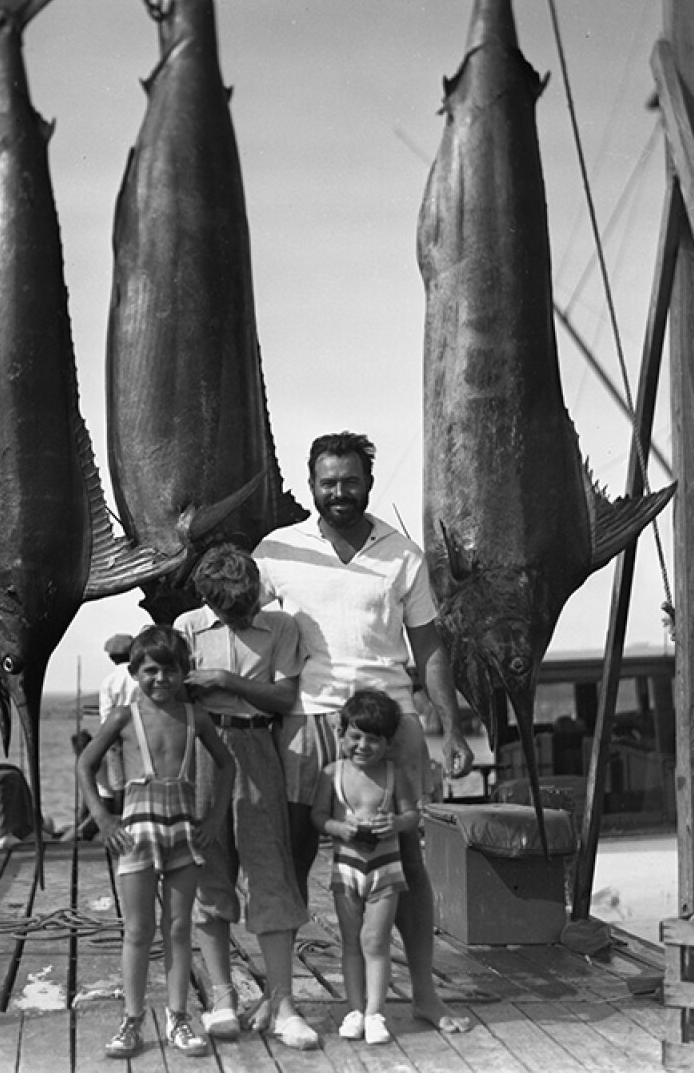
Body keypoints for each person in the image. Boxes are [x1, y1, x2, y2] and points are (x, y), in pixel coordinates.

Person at [252, 430, 476, 1035]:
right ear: (311, 485)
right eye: (328, 483)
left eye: (350, 481)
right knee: (293, 854)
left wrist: (450, 726)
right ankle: (281, 997)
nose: (339, 493)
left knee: (406, 860)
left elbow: (428, 646)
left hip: (391, 720)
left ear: (368, 483)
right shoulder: (277, 549)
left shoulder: (402, 554)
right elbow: (242, 622)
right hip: (309, 717)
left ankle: (425, 995)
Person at [173, 543, 318, 1051]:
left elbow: (284, 696)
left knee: (270, 871)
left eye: (248, 601)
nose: (243, 613)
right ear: (210, 600)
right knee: (210, 871)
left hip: (258, 746)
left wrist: (226, 682)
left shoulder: (280, 627)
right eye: (231, 607)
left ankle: (283, 1004)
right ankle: (221, 996)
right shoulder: (187, 629)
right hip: (204, 753)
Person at [77, 626, 234, 1060]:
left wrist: (215, 818)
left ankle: (179, 1016)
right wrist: (103, 818)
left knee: (179, 927)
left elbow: (227, 765)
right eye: (150, 671)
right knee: (139, 929)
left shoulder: (194, 717)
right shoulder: (124, 717)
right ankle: (131, 1019)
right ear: (134, 672)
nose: (160, 679)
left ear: (184, 672)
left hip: (183, 831)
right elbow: (85, 764)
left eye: (170, 671)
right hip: (138, 833)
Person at [312, 690, 419, 1045]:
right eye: (355, 737)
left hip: (386, 870)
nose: (363, 745)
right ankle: (354, 1009)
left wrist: (397, 824)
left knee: (375, 941)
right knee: (350, 942)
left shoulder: (394, 773)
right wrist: (337, 828)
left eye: (374, 739)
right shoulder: (332, 774)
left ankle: (375, 1012)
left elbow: (412, 815)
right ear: (341, 735)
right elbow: (318, 817)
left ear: (388, 743)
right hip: (346, 869)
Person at [95, 632, 139, 814]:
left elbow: (105, 715)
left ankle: (121, 817)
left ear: (112, 657)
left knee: (117, 780)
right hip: (137, 731)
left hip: (115, 734)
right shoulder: (138, 678)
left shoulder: (109, 681)